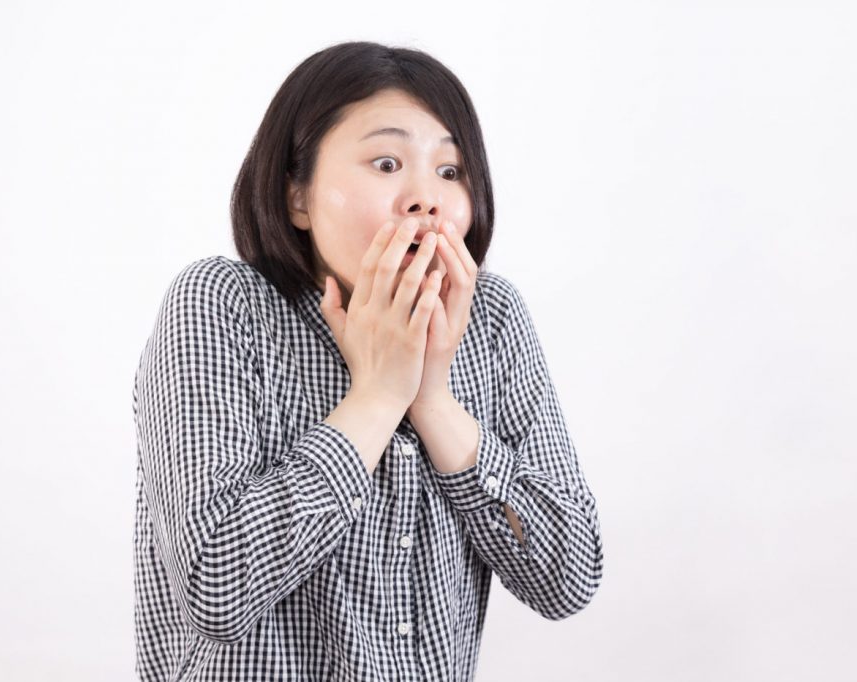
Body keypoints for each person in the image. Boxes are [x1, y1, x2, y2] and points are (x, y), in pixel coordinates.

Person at [132, 40, 603, 681]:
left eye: (450, 171)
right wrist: (377, 397)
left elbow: (569, 578)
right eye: (386, 163)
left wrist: (432, 400)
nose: (425, 199)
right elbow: (214, 585)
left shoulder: (490, 317)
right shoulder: (222, 302)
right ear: (297, 196)